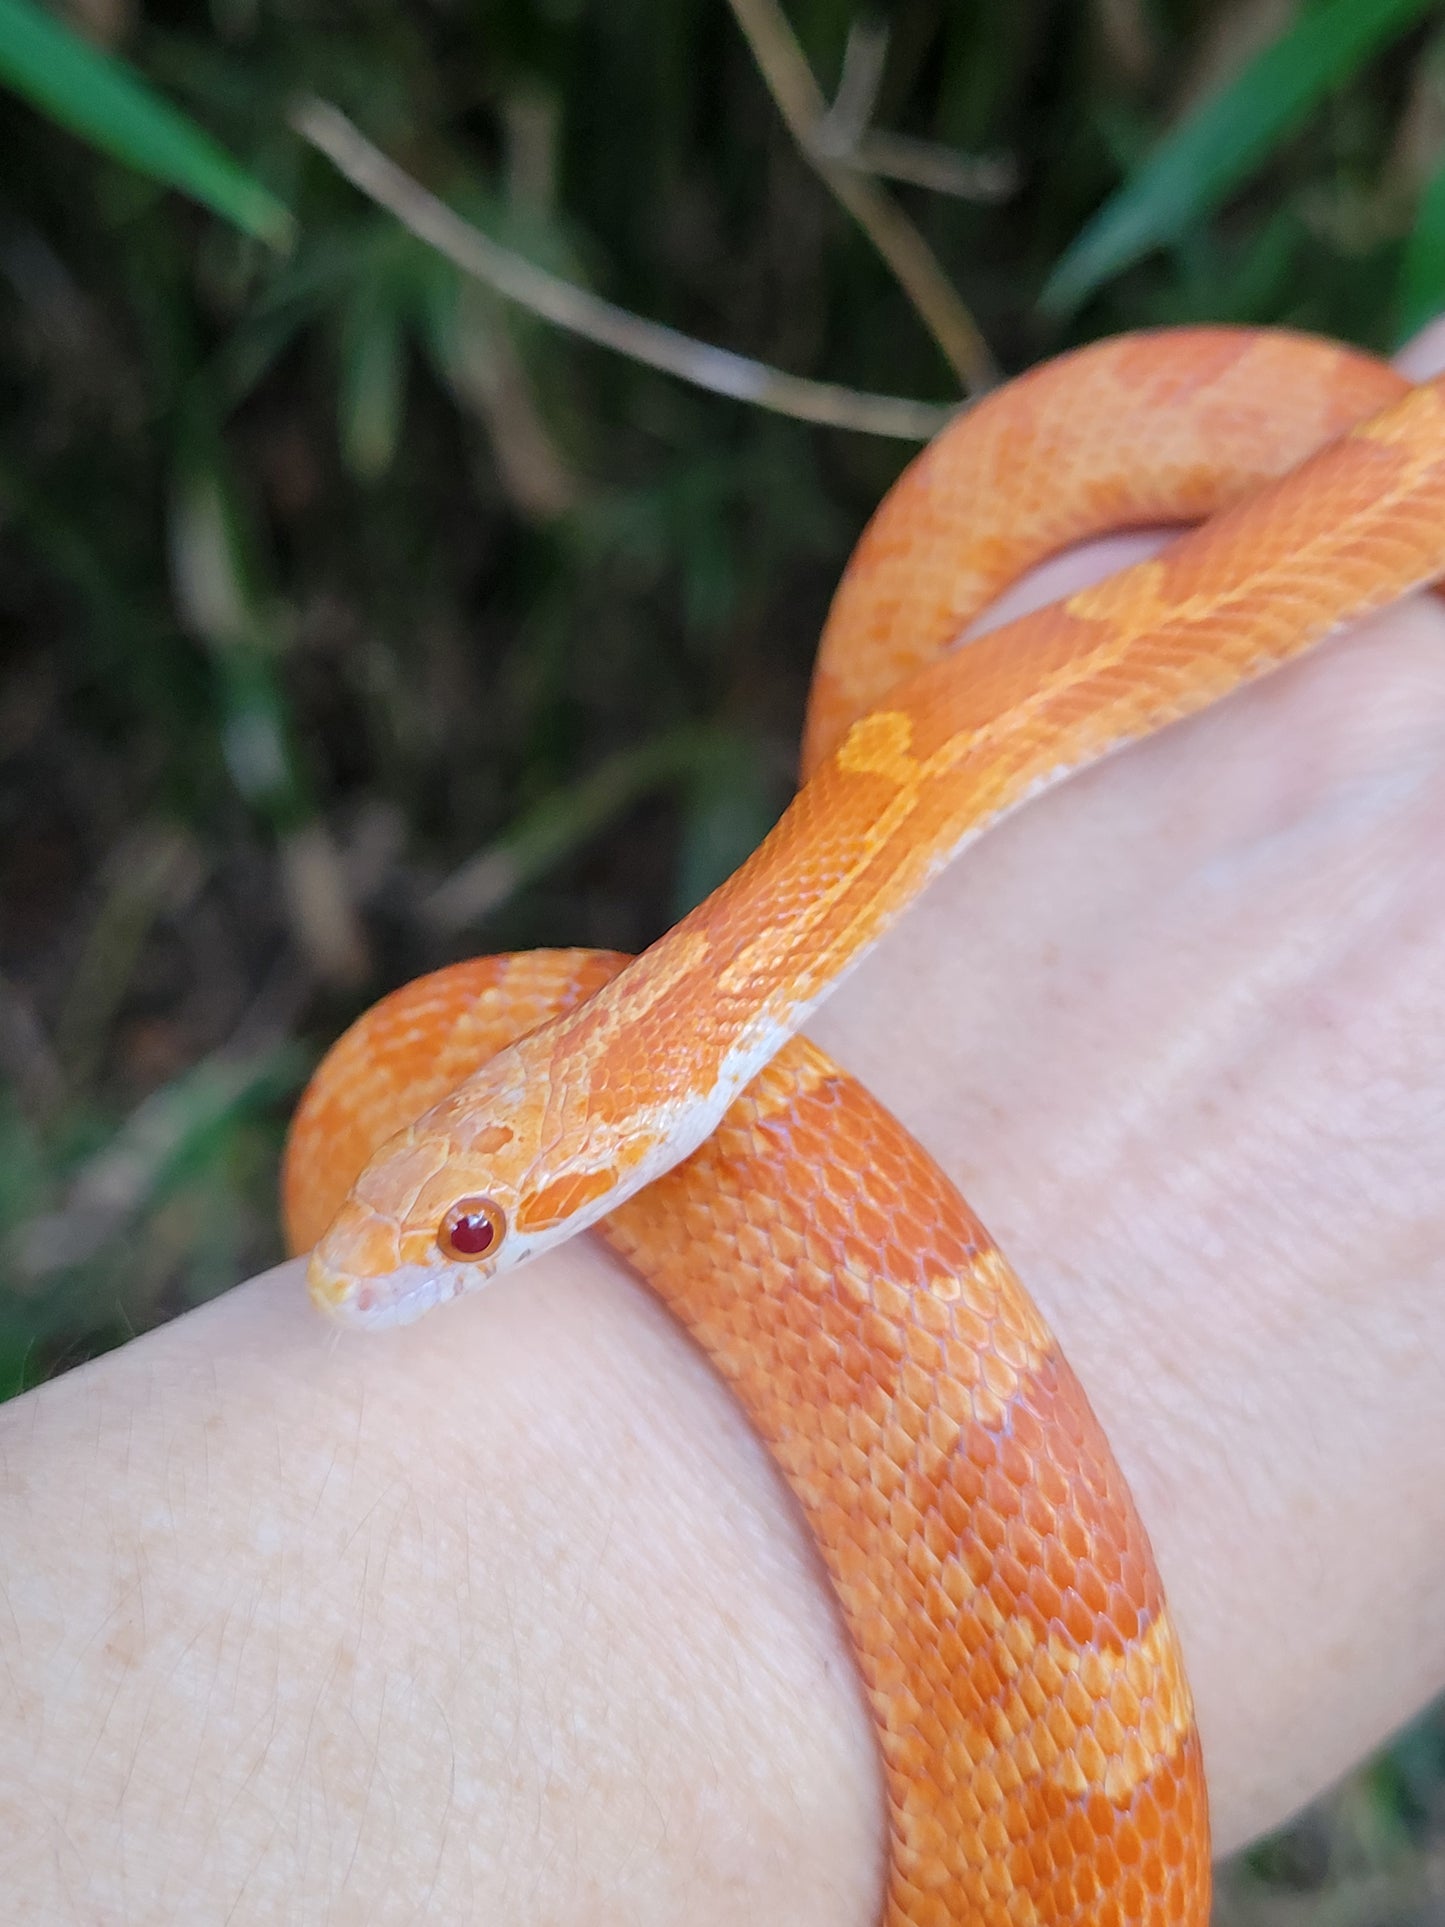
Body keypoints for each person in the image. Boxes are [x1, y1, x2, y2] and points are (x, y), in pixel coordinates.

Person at [2, 322, 1443, 1922]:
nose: (384, 1270)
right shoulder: (676, 1025)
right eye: (463, 1223)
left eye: (476, 1231)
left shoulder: (733, 993)